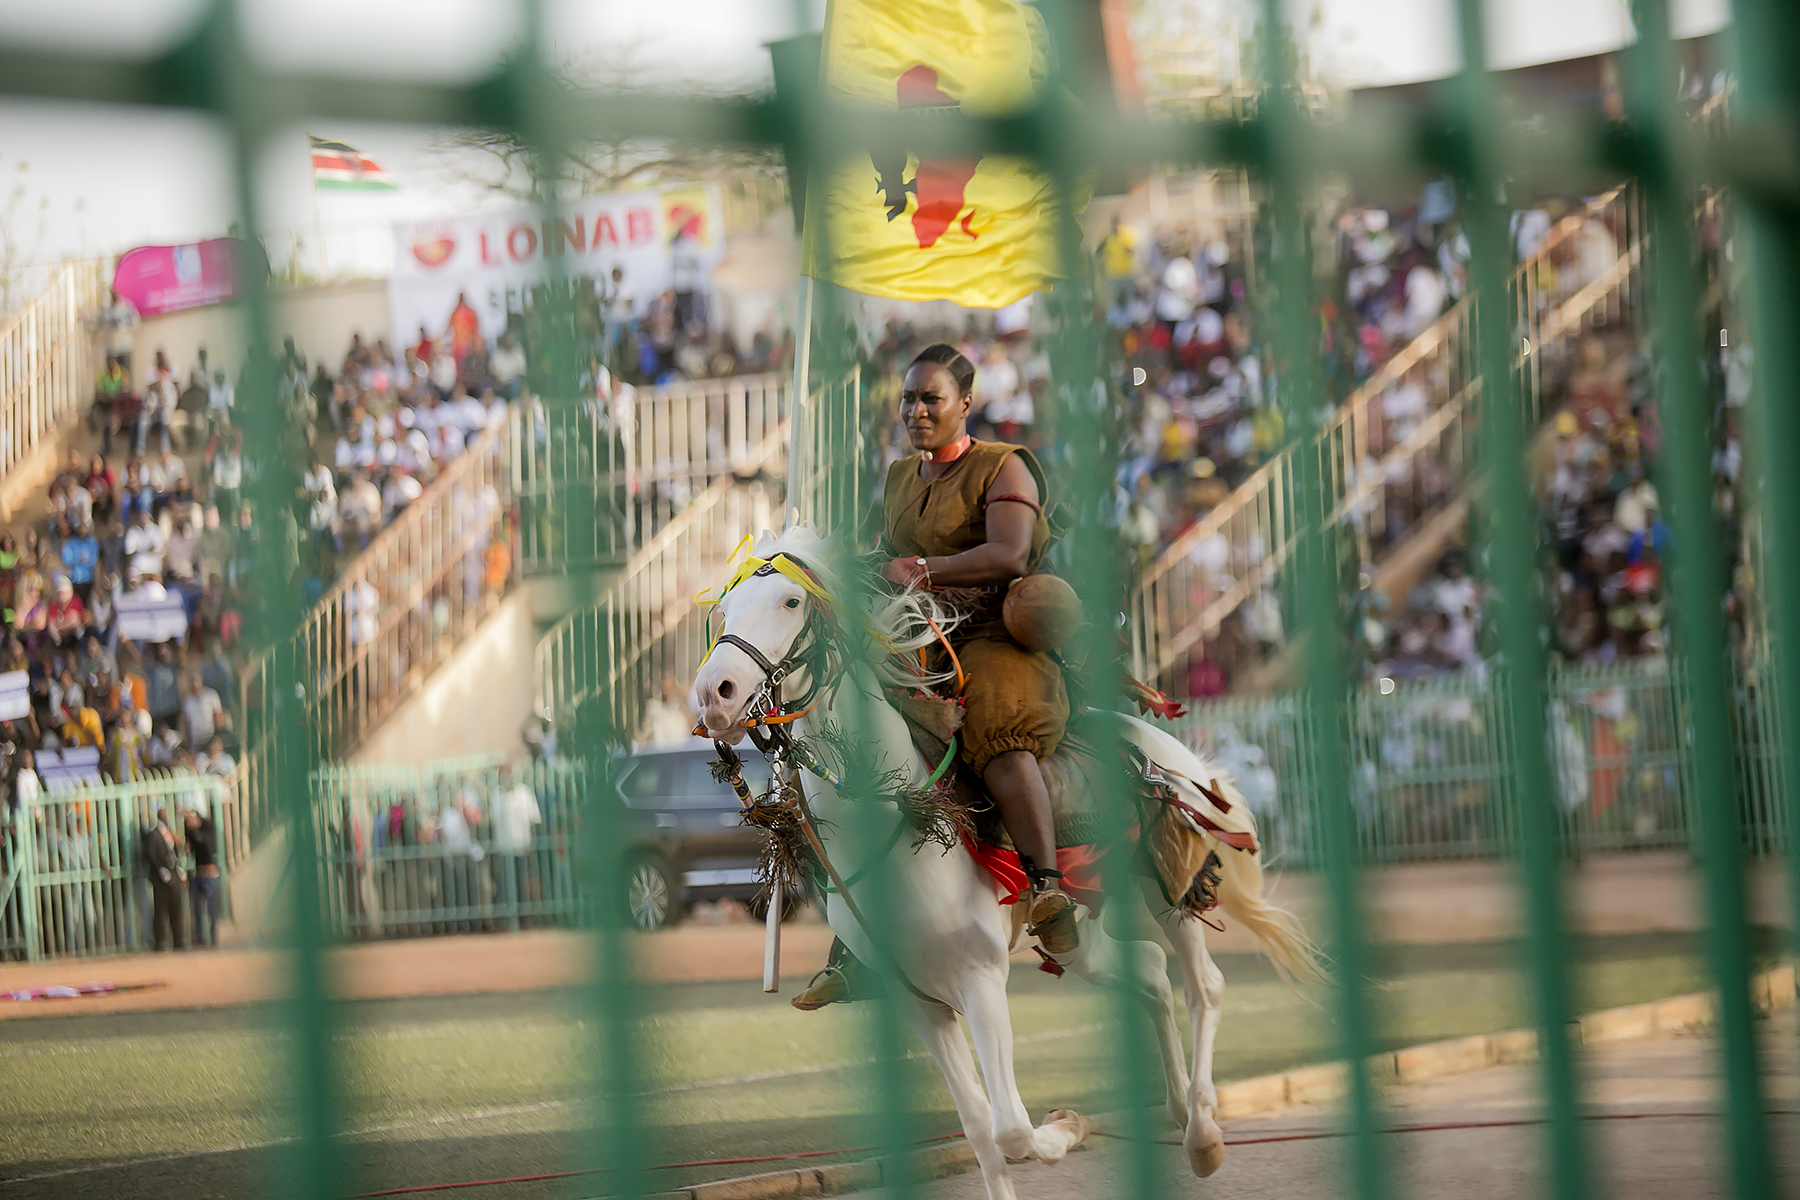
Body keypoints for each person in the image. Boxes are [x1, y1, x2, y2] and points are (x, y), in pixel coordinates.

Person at [878, 343, 1077, 953]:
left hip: (993, 635)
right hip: (915, 639)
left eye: (930, 398)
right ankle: (855, 938)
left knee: (993, 728)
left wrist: (920, 570)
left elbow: (1009, 554)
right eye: (909, 398)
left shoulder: (1003, 464)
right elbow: (877, 553)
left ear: (965, 403)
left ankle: (1047, 886)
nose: (916, 411)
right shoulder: (896, 476)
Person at [141, 808, 187, 950]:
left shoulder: (169, 834)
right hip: (161, 879)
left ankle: (178, 940)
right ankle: (160, 942)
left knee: (176, 909)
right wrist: (165, 874)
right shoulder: (154, 834)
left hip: (173, 876)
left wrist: (179, 872)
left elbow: (173, 855)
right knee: (161, 911)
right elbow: (152, 855)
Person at [184, 806, 222, 947]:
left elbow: (204, 842)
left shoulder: (207, 830)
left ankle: (213, 937)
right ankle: (200, 938)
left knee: (212, 909)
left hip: (209, 874)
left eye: (191, 818)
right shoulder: (191, 833)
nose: (189, 822)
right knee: (197, 909)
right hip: (198, 874)